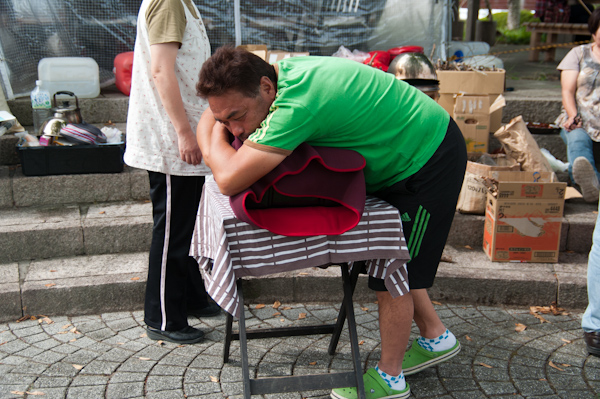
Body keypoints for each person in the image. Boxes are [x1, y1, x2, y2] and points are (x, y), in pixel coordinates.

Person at [195, 46, 467, 399]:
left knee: (396, 274)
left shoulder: (296, 106)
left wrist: (211, 142)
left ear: (265, 88)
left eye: (238, 116)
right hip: (401, 150)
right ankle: (436, 336)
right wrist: (217, 128)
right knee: (400, 263)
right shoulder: (276, 77)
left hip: (428, 160)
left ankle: (391, 380)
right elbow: (210, 118)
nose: (236, 130)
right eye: (224, 121)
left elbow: (229, 179)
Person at [123, 0, 219, 345]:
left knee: (188, 225)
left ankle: (191, 298)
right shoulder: (167, 3)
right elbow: (161, 70)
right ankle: (162, 316)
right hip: (170, 139)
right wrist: (183, 132)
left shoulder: (182, 4)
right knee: (172, 233)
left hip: (186, 133)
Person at [555, 7, 600, 203]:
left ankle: (594, 186)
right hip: (581, 118)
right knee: (578, 140)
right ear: (594, 30)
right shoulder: (578, 54)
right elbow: (567, 91)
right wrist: (573, 115)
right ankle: (590, 186)